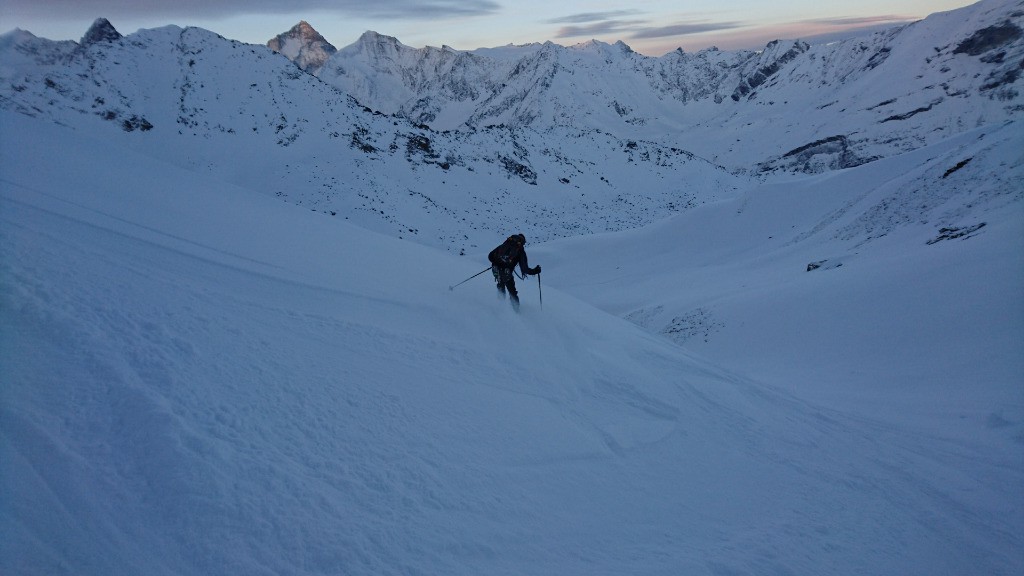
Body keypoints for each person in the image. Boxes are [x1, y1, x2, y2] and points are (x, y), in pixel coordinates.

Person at [488, 233, 541, 310]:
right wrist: (535, 271)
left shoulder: (504, 245)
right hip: (507, 273)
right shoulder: (520, 251)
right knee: (512, 292)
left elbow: (490, 256)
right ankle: (516, 312)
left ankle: (500, 307)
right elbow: (525, 269)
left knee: (500, 285)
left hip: (496, 270)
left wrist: (497, 263)